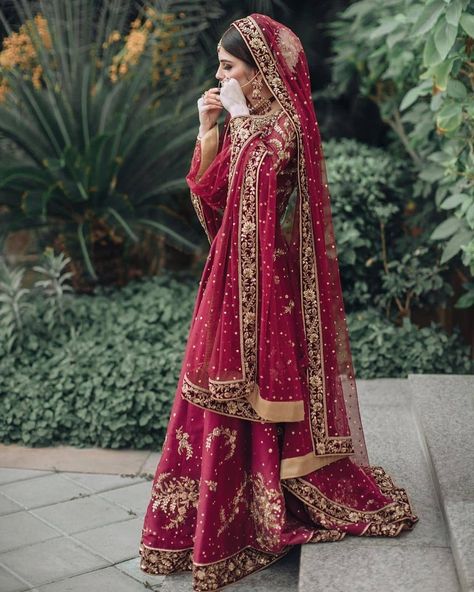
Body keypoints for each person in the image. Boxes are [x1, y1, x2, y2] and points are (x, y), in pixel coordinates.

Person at [139, 13, 419, 591]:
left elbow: (262, 185)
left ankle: (258, 511)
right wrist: (210, 128)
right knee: (212, 389)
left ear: (260, 68)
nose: (219, 76)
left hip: (271, 288)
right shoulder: (251, 119)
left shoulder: (285, 122)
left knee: (254, 391)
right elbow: (216, 201)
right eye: (219, 65)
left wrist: (239, 119)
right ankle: (203, 521)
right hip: (231, 278)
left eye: (229, 65)